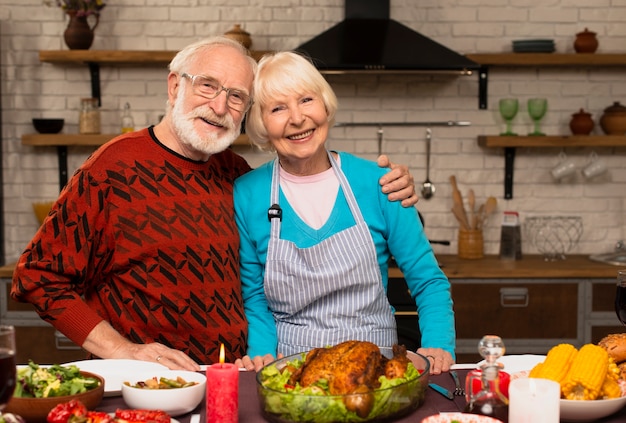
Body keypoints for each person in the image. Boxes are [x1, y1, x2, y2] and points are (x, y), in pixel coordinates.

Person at [11, 37, 417, 370]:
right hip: (149, 384)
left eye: (237, 96)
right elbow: (39, 277)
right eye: (207, 85)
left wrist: (393, 184)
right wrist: (121, 350)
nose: (220, 106)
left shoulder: (236, 173)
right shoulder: (112, 168)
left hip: (234, 376)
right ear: (175, 86)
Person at [233, 51, 455, 374]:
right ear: (261, 124)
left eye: (306, 100)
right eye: (278, 108)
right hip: (292, 371)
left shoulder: (380, 183)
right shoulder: (247, 194)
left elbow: (428, 280)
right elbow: (255, 299)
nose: (297, 118)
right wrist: (262, 355)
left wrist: (438, 343)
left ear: (325, 106)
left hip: (375, 367)